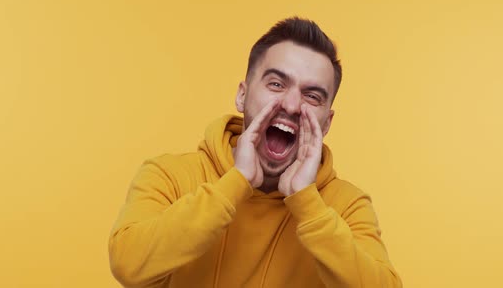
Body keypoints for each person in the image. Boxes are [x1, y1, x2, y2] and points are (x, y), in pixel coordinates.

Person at [108, 17, 402, 287]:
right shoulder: (169, 175)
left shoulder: (347, 205)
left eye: (312, 96)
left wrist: (308, 204)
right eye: (276, 84)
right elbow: (128, 264)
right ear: (242, 94)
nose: (290, 105)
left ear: (327, 122)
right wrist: (236, 182)